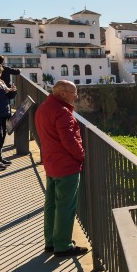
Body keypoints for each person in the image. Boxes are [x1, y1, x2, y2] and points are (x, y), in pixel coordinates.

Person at [34, 80, 89, 256]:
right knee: (66, 206)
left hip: (51, 162)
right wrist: (81, 155)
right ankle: (63, 245)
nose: (76, 96)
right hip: (65, 165)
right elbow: (69, 140)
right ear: (63, 93)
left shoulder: (43, 108)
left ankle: (51, 241)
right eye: (74, 92)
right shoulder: (62, 112)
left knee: (51, 204)